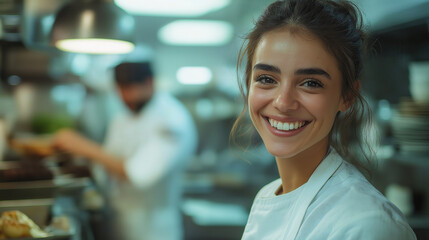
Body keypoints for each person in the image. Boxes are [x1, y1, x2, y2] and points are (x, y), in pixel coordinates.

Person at [231, 0, 417, 239]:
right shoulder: (267, 195)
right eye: (267, 79)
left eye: (311, 83)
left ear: (347, 96)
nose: (283, 102)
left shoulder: (367, 225)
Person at [53, 62, 198, 240]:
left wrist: (83, 146)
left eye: (129, 89)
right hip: (118, 222)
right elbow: (109, 159)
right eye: (120, 89)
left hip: (153, 229)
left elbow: (136, 174)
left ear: (149, 83)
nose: (124, 96)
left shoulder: (172, 120)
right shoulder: (124, 115)